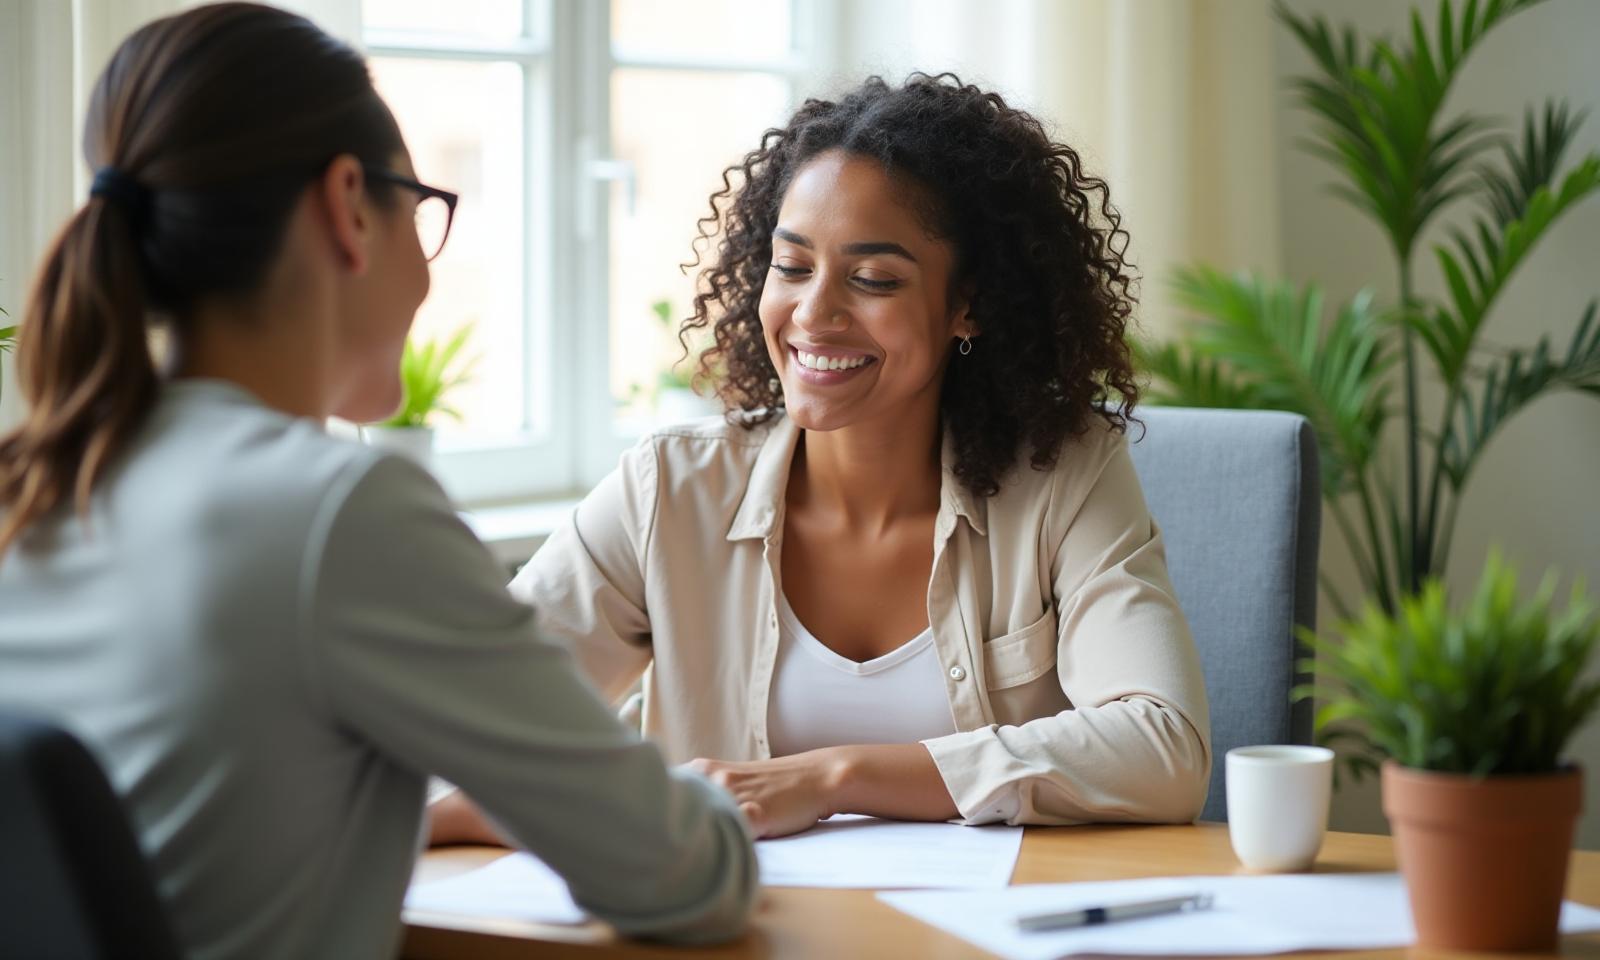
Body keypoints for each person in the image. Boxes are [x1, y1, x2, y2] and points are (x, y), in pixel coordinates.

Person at [0, 5, 755, 959]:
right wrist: (699, 798)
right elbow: (686, 877)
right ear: (348, 205)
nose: (426, 268)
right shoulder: (337, 512)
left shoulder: (37, 486)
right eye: (420, 208)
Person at [435, 73, 1212, 844]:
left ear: (968, 303)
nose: (813, 315)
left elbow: (1163, 748)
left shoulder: (1064, 479)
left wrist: (831, 778)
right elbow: (473, 720)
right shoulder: (669, 491)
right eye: (792, 266)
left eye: (873, 279)